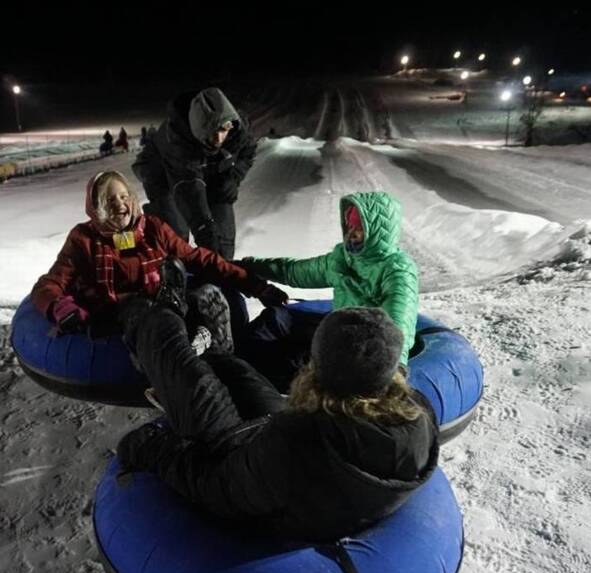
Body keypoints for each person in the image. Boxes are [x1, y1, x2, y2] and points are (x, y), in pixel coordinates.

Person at [116, 295, 439, 542]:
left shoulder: (298, 441)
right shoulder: (418, 416)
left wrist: (154, 449)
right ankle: (210, 347)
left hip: (237, 456)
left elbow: (219, 488)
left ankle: (149, 314)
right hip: (286, 452)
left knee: (181, 363)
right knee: (237, 370)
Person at [31, 171, 286, 351]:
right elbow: (51, 283)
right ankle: (176, 352)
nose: (120, 204)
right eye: (110, 200)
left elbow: (201, 259)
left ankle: (210, 349)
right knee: (145, 312)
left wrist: (256, 285)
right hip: (120, 314)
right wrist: (60, 308)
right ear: (96, 207)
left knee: (207, 293)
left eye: (124, 196)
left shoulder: (153, 228)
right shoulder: (84, 238)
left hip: (164, 302)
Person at [238, 191, 419, 391]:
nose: (351, 232)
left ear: (374, 231)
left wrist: (393, 370)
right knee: (272, 332)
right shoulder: (343, 258)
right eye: (349, 225)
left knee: (296, 366)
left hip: (366, 350)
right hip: (341, 333)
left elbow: (400, 319)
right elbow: (295, 272)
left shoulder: (397, 270)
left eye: (358, 227)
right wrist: (252, 267)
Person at [132, 87, 255, 262]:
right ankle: (167, 272)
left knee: (222, 241)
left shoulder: (237, 129)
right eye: (214, 131)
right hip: (162, 173)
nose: (220, 138)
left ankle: (217, 277)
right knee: (176, 233)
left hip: (206, 169)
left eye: (224, 129)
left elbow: (247, 152)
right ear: (199, 128)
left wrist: (233, 176)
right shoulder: (176, 139)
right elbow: (188, 189)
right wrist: (203, 228)